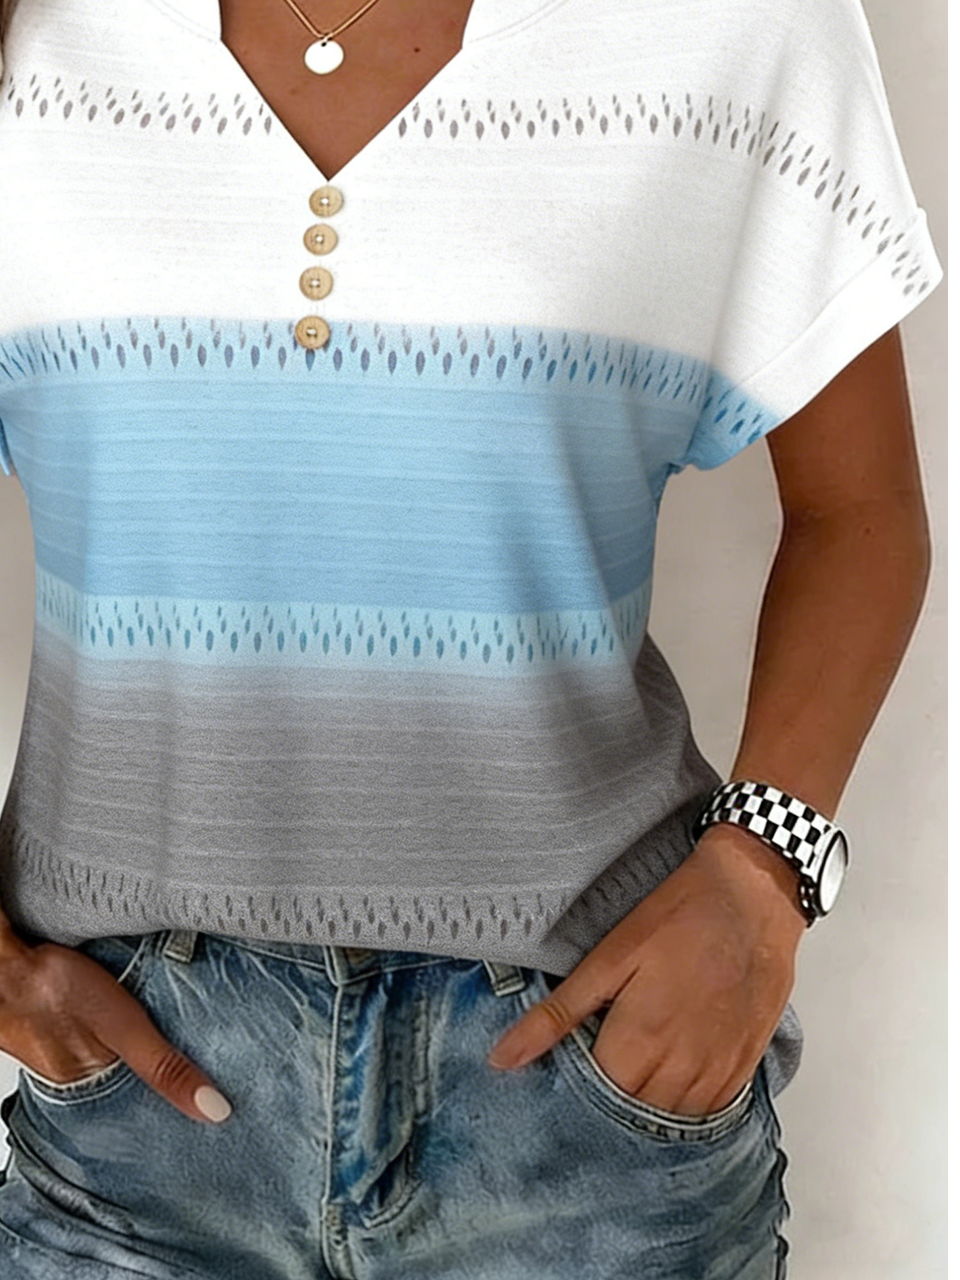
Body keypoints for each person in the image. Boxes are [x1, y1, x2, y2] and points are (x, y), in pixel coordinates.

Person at [0, 0, 942, 1276]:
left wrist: (765, 877)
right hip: (125, 1107)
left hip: (583, 1090)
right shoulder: (35, 38)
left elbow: (860, 512)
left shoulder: (738, 26)